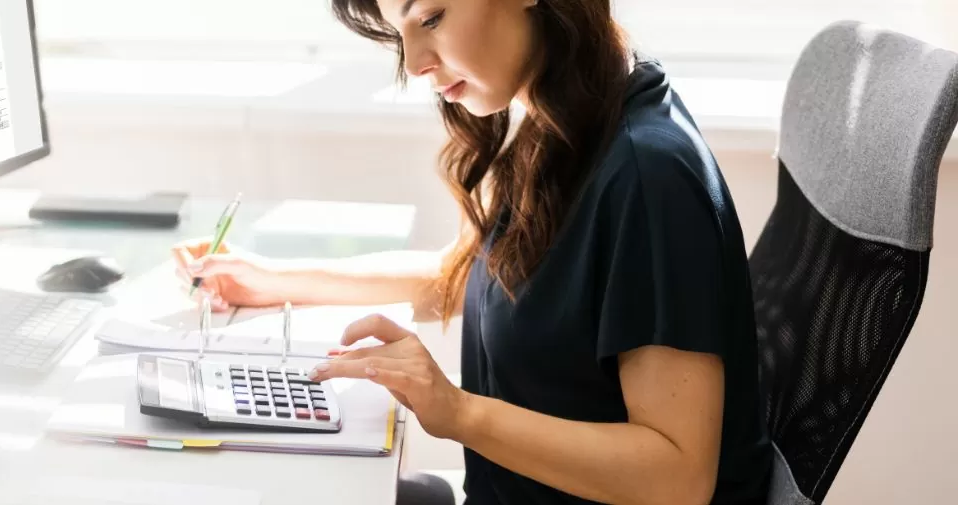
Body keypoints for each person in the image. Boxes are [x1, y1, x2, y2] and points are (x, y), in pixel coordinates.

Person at [169, 0, 772, 503]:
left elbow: (676, 478)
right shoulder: (562, 117)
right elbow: (469, 278)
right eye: (399, 33)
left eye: (431, 18)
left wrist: (457, 412)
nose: (415, 64)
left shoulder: (648, 177)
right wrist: (274, 281)